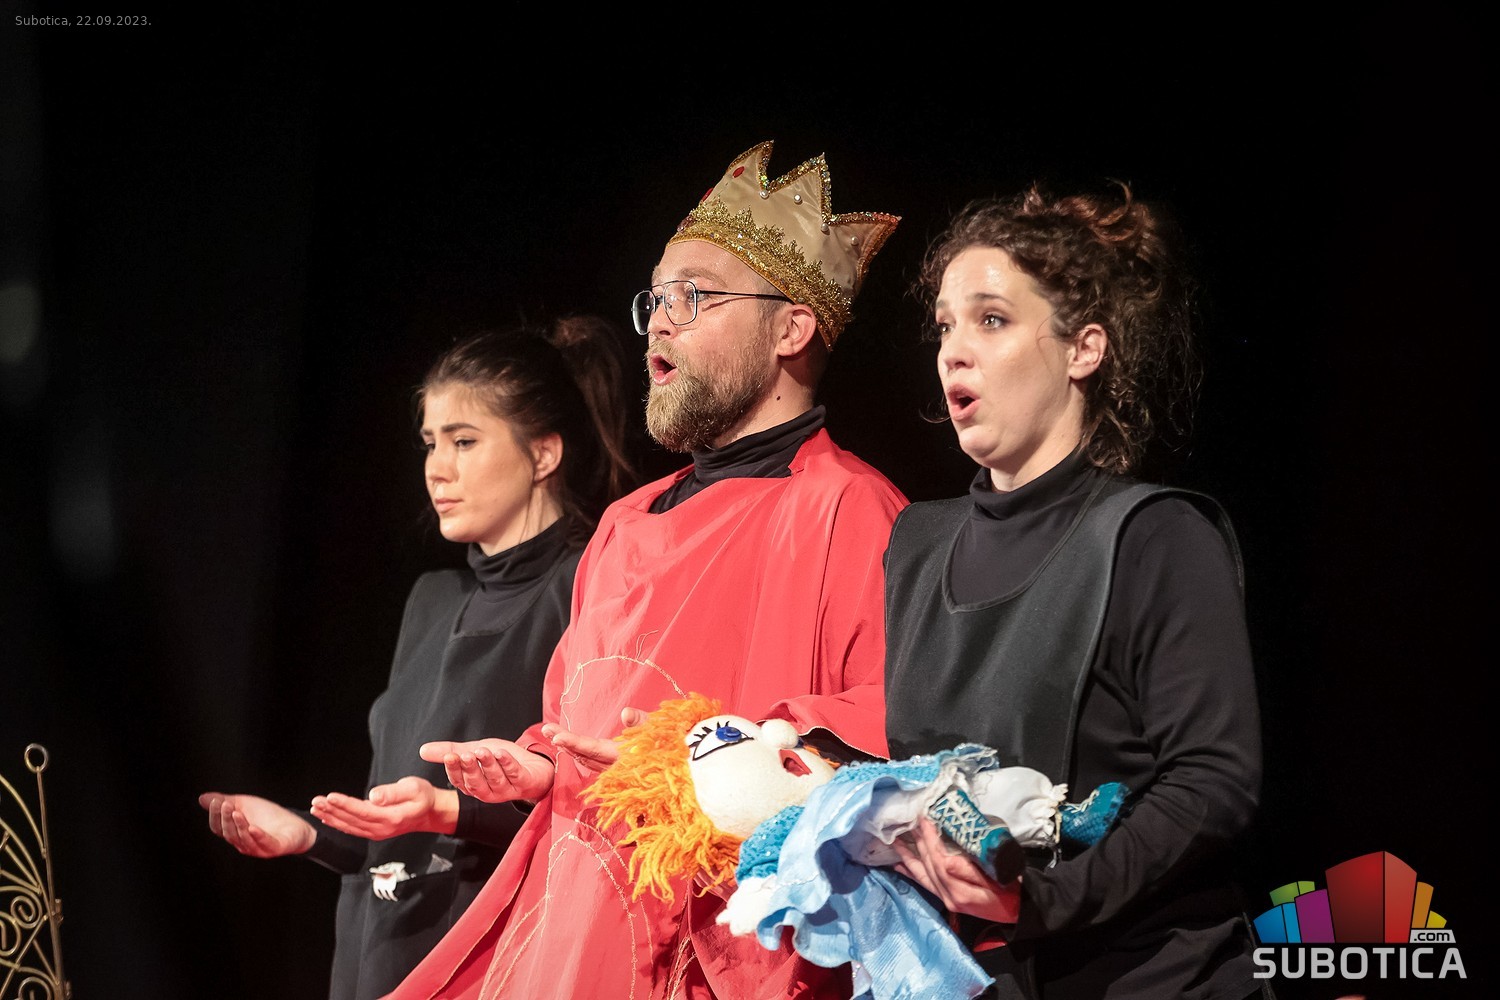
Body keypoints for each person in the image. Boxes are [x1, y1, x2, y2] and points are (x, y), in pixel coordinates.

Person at [390, 141, 907, 999]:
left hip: (719, 951)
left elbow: (880, 740)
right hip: (576, 937)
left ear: (791, 329)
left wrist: (704, 763)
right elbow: (577, 719)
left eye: (693, 296)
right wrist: (541, 767)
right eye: (656, 299)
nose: (660, 323)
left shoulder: (849, 509)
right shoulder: (627, 522)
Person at [882, 187, 1263, 1000]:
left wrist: (1044, 901)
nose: (953, 351)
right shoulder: (916, 544)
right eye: (945, 325)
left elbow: (1213, 781)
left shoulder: (1154, 537)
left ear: (1083, 349)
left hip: (1144, 978)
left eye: (991, 320)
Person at [198, 318, 638, 1000]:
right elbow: (396, 830)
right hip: (381, 959)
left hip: (493, 957)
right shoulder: (432, 599)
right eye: (431, 442)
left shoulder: (588, 586)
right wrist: (310, 835)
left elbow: (600, 807)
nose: (437, 468)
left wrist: (449, 810)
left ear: (543, 454)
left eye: (464, 441)